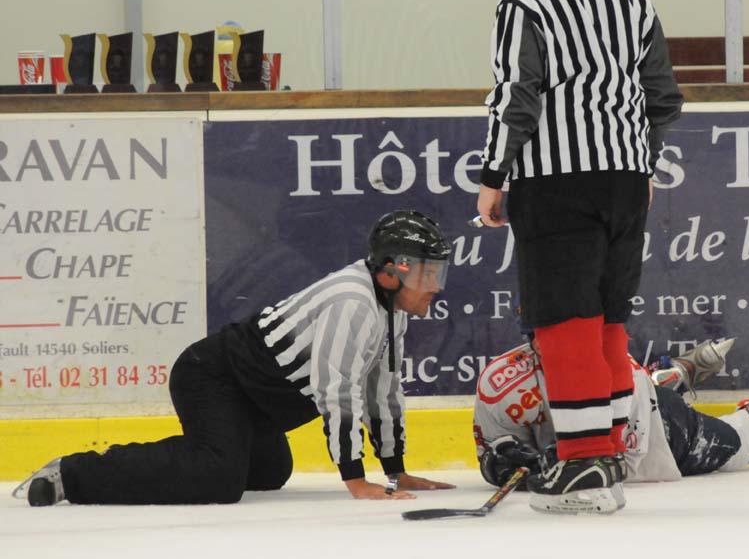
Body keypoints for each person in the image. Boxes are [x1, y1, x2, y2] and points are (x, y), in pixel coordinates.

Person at [475, 0, 684, 514]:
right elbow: (663, 99)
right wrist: (641, 164)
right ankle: (609, 453)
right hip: (626, 181)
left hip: (556, 181)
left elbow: (517, 95)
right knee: (608, 323)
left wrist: (493, 177)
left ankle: (585, 465)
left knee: (565, 323)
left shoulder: (524, 0)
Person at [14, 210, 455, 506]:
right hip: (210, 376)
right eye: (428, 272)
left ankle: (204, 450)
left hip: (253, 404)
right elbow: (336, 391)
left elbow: (381, 393)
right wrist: (355, 479)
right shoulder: (353, 302)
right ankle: (71, 473)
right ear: (391, 271)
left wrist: (396, 472)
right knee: (219, 476)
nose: (436, 285)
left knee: (269, 472)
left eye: (439, 272)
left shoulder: (390, 310)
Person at [473, 335, 749, 510]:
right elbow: (492, 446)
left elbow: (624, 464)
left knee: (735, 446)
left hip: (662, 428)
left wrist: (551, 464)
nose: (559, 345)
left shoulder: (617, 371)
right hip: (638, 396)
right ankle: (672, 375)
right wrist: (503, 459)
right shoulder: (499, 382)